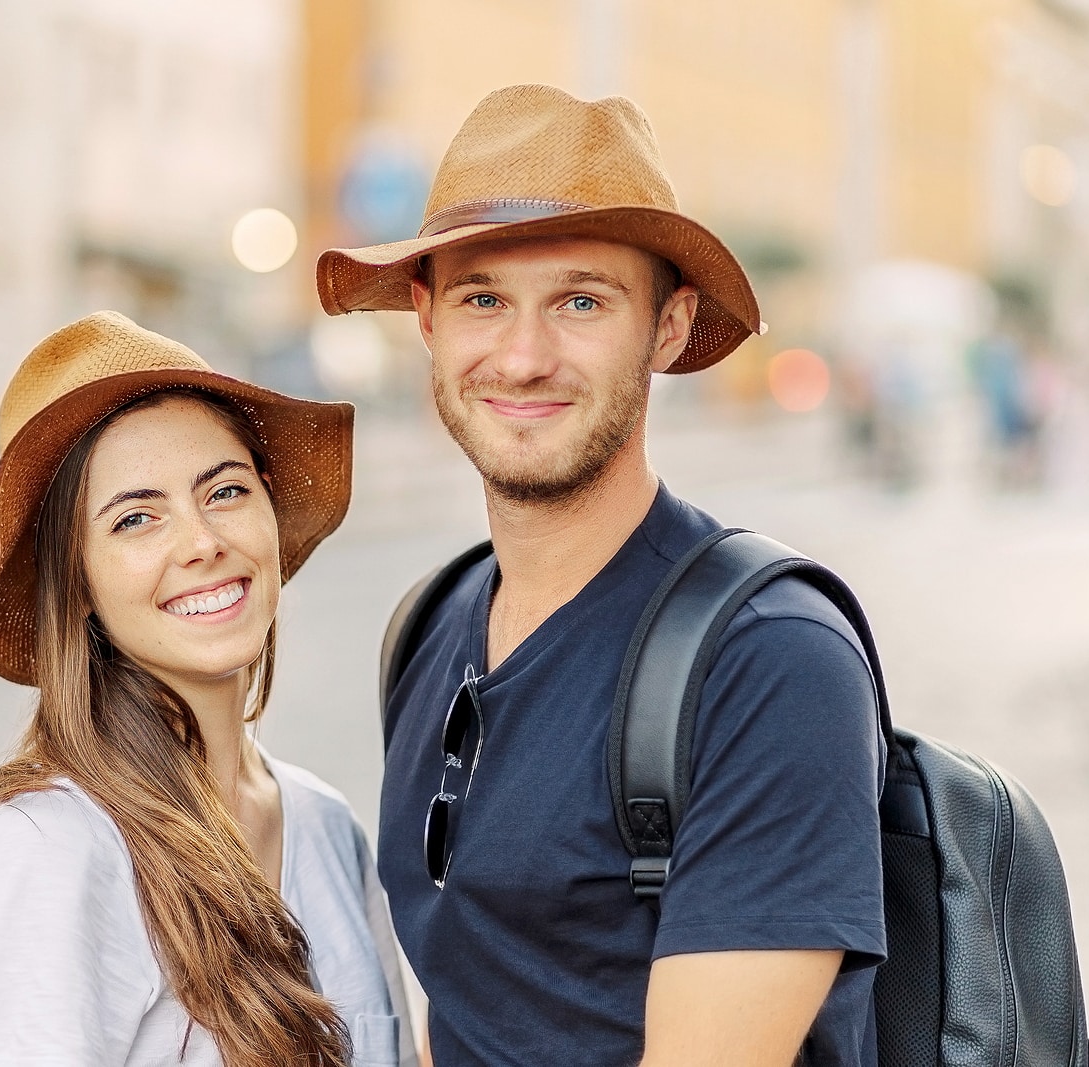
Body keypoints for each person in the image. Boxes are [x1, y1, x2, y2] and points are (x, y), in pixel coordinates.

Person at [317, 86, 885, 1066]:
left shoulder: (768, 660)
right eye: (482, 298)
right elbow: (470, 1016)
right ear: (426, 321)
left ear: (667, 328)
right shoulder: (427, 626)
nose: (523, 355)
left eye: (581, 301)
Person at [0, 312, 416, 1067]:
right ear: (79, 582)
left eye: (224, 491)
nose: (201, 542)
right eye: (135, 518)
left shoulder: (328, 828)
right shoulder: (57, 849)